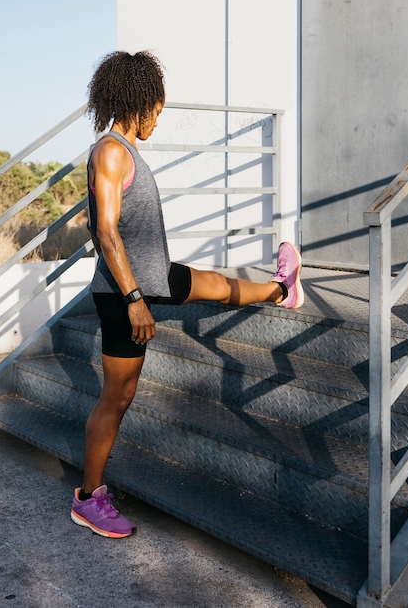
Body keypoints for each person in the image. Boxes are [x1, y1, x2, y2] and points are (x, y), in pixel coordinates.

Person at [71, 51, 303, 538]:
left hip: (153, 275)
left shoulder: (126, 152)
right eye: (158, 108)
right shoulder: (111, 152)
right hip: (123, 293)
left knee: (218, 287)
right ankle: (90, 497)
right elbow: (105, 232)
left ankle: (283, 288)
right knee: (118, 395)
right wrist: (134, 299)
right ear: (141, 101)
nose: (159, 117)